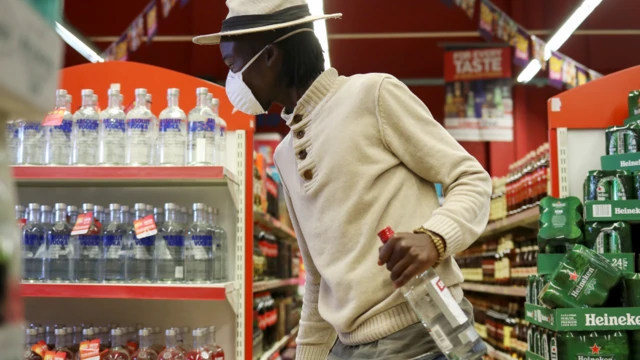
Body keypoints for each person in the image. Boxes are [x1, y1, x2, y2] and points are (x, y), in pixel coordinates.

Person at [194, 1, 492, 359]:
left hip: (425, 331)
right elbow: (319, 278)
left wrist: (435, 238)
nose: (232, 78)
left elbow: (471, 178)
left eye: (233, 64)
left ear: (269, 55)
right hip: (349, 346)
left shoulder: (372, 95)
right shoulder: (284, 155)